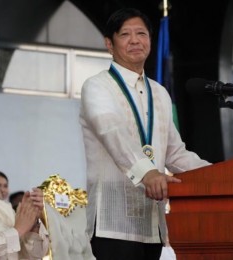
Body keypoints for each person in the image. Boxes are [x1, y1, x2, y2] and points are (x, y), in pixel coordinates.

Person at [80, 8, 211, 260]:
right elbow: (111, 131)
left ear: (150, 41)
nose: (135, 40)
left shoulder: (159, 93)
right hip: (113, 221)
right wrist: (147, 172)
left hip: (152, 223)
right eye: (126, 34)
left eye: (141, 33)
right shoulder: (97, 86)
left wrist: (216, 173)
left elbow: (175, 153)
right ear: (109, 43)